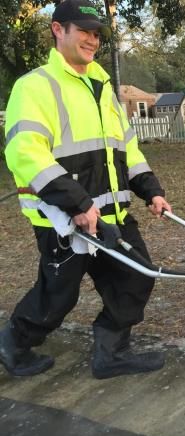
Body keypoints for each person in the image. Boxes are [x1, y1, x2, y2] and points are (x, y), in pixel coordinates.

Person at [0, 0, 171, 380]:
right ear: (57, 30)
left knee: (137, 275)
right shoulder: (34, 86)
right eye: (84, 31)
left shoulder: (103, 87)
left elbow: (126, 148)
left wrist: (150, 189)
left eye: (96, 34)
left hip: (111, 216)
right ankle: (12, 343)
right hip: (63, 218)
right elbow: (24, 151)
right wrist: (76, 203)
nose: (93, 40)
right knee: (59, 294)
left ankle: (110, 352)